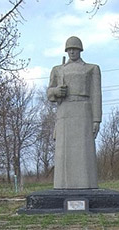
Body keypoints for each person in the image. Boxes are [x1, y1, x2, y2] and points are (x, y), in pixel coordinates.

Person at [47, 36, 102, 189]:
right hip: (64, 111)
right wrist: (57, 91)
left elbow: (96, 95)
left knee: (84, 154)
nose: (72, 52)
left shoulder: (91, 69)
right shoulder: (58, 70)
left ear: (80, 50)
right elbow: (49, 92)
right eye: (69, 49)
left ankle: (86, 185)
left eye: (75, 49)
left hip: (84, 111)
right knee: (64, 153)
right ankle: (63, 185)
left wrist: (96, 119)